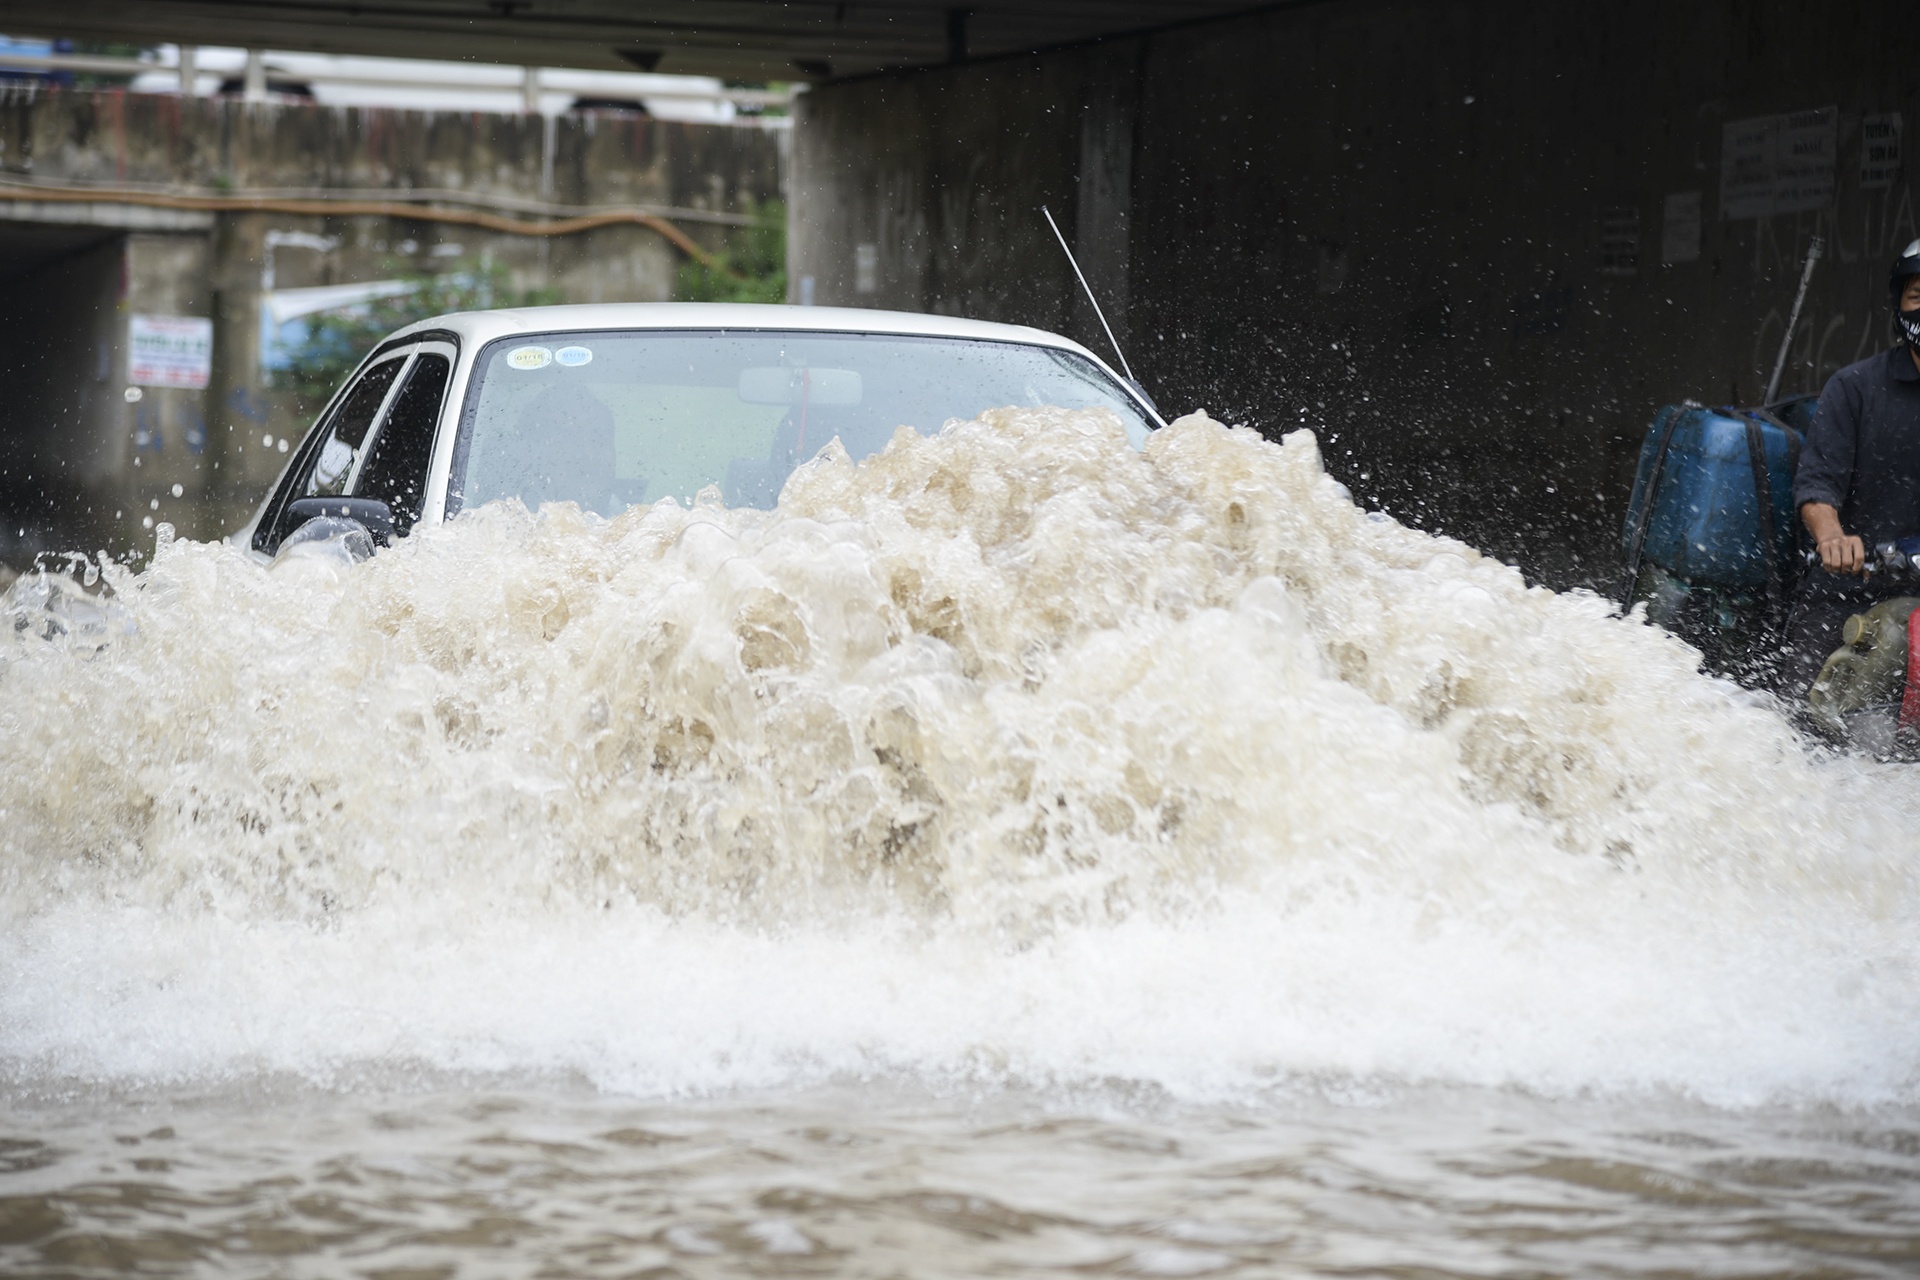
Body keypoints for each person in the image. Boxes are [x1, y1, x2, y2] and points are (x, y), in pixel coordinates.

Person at [1784, 238, 1920, 695]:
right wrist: (1832, 538)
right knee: (1805, 714)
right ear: (1899, 305)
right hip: (1847, 594)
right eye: (1917, 296)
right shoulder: (1856, 387)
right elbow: (1817, 483)